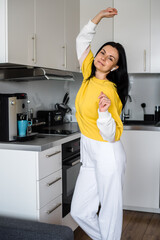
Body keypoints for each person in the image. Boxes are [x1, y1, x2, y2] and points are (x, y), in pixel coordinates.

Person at [70, 7, 129, 240]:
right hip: (89, 150)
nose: (103, 57)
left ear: (114, 67)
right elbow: (81, 39)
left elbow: (112, 134)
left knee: (109, 213)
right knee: (80, 211)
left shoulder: (110, 91)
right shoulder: (87, 73)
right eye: (103, 52)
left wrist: (104, 114)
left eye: (110, 58)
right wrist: (99, 17)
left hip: (107, 153)